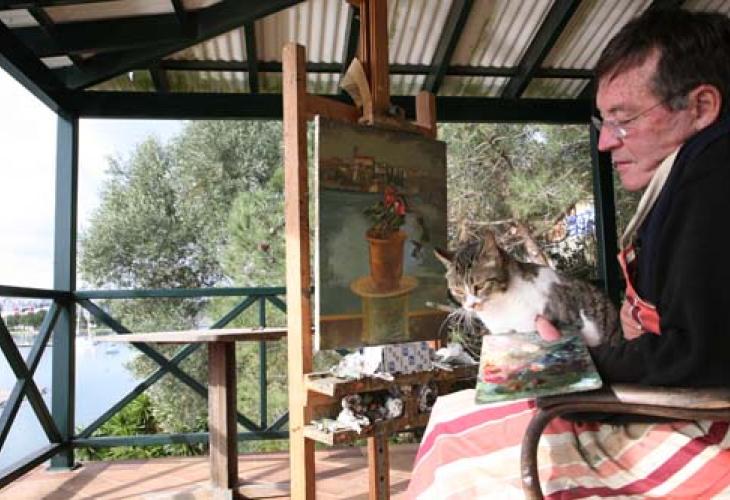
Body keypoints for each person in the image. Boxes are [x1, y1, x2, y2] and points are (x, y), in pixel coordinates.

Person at [407, 9, 730, 499]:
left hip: (706, 428)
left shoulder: (713, 181)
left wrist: (571, 365)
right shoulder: (689, 175)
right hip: (681, 399)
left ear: (701, 106)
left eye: (623, 120)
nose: (604, 142)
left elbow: (702, 359)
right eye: (603, 121)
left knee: (458, 465)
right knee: (452, 414)